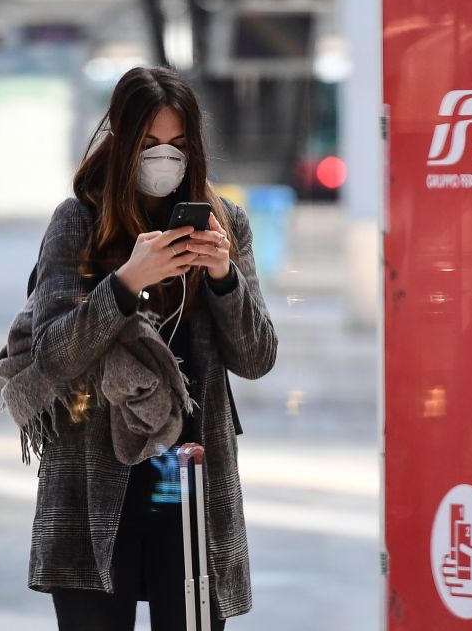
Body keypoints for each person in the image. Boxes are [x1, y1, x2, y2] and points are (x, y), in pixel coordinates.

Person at [28, 66, 277, 630]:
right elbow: (52, 357)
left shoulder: (224, 223)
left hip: (184, 475)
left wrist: (222, 278)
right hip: (93, 475)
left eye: (179, 145)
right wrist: (124, 282)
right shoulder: (78, 222)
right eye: (150, 145)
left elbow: (258, 357)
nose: (165, 159)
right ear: (121, 141)